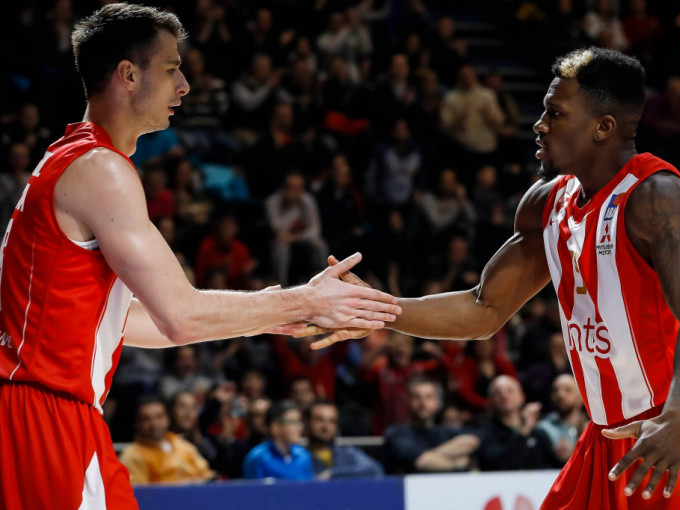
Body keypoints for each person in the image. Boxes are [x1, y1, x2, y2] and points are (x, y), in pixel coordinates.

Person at [0, 4, 400, 510]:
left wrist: (260, 317)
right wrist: (304, 301)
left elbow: (126, 321)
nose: (185, 85)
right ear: (128, 75)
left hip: (38, 409)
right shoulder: (101, 170)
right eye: (172, 68)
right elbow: (181, 315)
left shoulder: (67, 156)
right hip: (45, 414)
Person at [311, 47, 680, 508]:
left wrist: (678, 415)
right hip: (605, 435)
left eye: (555, 113)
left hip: (675, 423)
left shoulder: (658, 197)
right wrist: (376, 309)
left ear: (603, 127)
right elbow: (484, 309)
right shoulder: (546, 203)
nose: (539, 125)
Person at [381, 377, 479, 474]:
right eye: (417, 397)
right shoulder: (397, 433)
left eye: (429, 397)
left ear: (437, 402)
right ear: (407, 400)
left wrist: (430, 457)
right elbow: (421, 462)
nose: (423, 403)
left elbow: (472, 441)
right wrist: (456, 464)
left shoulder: (445, 431)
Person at [119, 395, 215, 484]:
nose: (154, 424)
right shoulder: (132, 455)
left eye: (159, 416)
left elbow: (207, 475)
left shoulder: (182, 445)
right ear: (137, 424)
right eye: (146, 419)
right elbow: (139, 492)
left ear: (167, 419)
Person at [475, 375, 558, 471]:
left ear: (522, 396)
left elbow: (553, 466)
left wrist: (562, 457)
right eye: (497, 392)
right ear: (490, 401)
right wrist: (523, 433)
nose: (504, 395)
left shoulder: (538, 433)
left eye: (510, 390)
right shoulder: (485, 433)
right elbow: (496, 464)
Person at [306, 400, 384, 479]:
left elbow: (375, 469)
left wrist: (332, 475)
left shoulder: (347, 453)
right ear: (307, 421)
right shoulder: (300, 457)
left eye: (332, 421)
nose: (326, 427)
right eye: (320, 420)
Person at [241, 400, 313, 480]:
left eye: (299, 422)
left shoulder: (304, 456)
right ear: (275, 427)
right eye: (293, 422)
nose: (299, 428)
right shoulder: (259, 458)